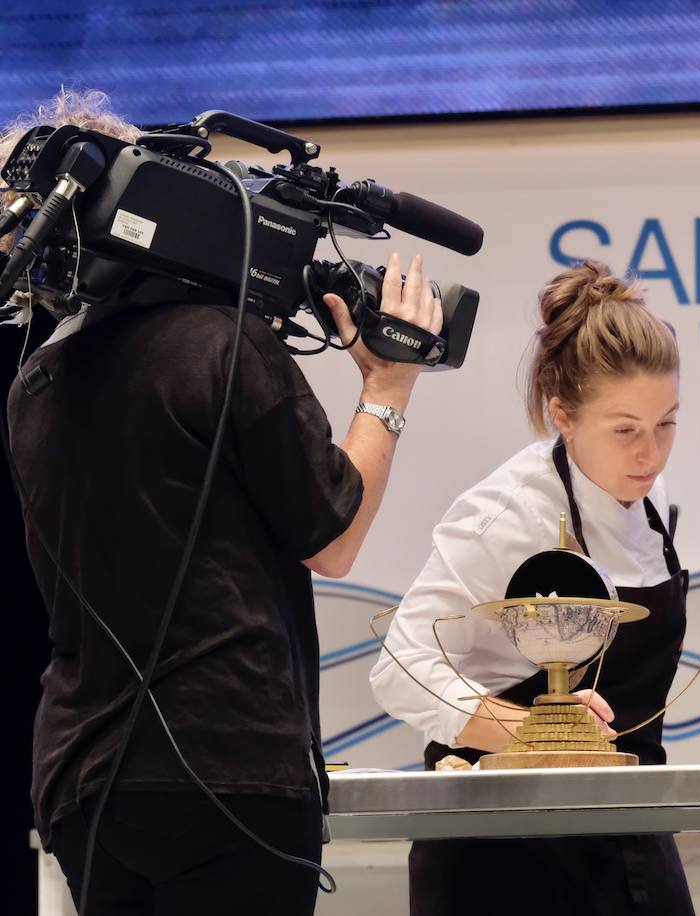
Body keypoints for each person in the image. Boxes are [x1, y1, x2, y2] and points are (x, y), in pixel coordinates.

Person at [6, 90, 443, 915]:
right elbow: (332, 537)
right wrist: (389, 386)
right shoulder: (223, 342)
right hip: (228, 772)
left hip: (82, 782)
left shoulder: (35, 385)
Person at [370, 260, 693, 916]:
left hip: (625, 829)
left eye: (667, 424)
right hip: (499, 850)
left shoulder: (655, 502)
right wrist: (535, 735)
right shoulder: (504, 515)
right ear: (562, 415)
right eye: (625, 430)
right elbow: (400, 667)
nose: (651, 454)